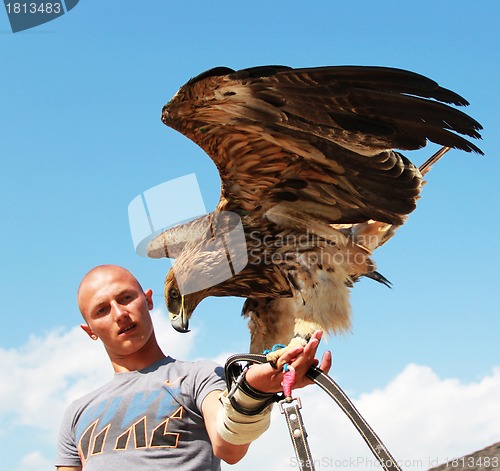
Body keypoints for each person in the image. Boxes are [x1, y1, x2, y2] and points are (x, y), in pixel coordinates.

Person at [56, 264, 331, 470]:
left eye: (126, 298)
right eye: (102, 310)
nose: (120, 314)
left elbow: (230, 448)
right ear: (89, 330)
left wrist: (253, 390)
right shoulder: (77, 413)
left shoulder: (198, 377)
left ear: (148, 300)